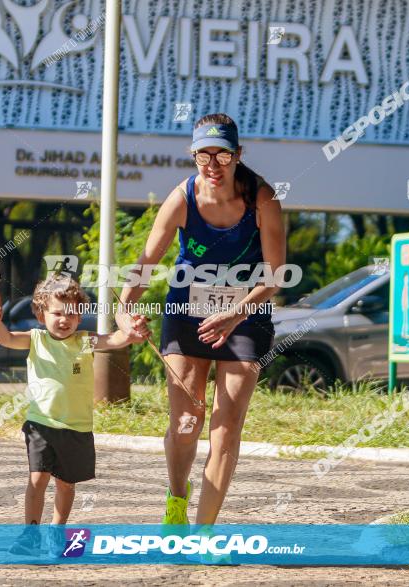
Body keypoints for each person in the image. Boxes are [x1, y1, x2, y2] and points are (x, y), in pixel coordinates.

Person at [115, 113, 286, 526]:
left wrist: (235, 311)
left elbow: (276, 275)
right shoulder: (182, 198)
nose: (212, 165)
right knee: (187, 423)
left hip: (245, 314)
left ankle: (204, 533)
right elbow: (146, 261)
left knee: (226, 427)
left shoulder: (264, 201)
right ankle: (177, 496)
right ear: (192, 156)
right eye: (203, 155)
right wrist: (123, 309)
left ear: (238, 155)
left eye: (222, 155)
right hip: (187, 313)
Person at [0, 274, 143, 555]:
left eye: (72, 313)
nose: (64, 319)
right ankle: (30, 534)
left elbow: (115, 339)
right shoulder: (36, 339)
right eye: (57, 313)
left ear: (80, 317)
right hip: (40, 424)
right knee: (37, 479)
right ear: (41, 314)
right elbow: (5, 338)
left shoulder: (84, 341)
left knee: (66, 485)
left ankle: (57, 530)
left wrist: (131, 333)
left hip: (76, 427)